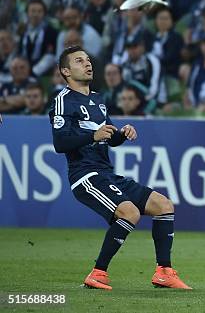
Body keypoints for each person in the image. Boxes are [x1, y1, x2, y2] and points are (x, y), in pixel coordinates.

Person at [49, 46, 190, 290]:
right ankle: (97, 274)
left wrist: (122, 134)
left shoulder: (98, 99)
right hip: (85, 176)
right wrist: (92, 134)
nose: (87, 63)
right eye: (79, 61)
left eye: (88, 59)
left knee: (164, 205)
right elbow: (60, 142)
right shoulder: (64, 101)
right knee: (130, 213)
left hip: (107, 173)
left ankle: (164, 272)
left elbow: (109, 136)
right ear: (65, 71)